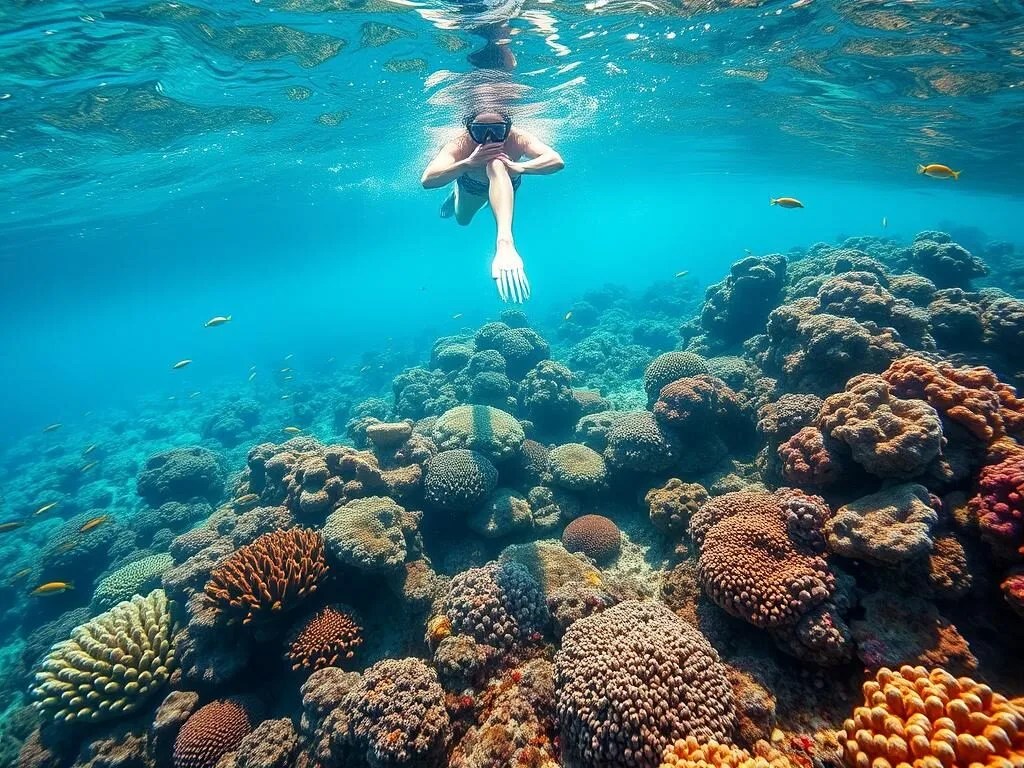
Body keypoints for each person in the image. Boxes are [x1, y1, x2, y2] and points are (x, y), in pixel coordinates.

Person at [421, 110, 564, 303]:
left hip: (508, 180)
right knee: (463, 220)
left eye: (497, 130)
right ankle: (457, 193)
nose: (489, 139)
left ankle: (504, 241)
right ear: (470, 131)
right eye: (480, 132)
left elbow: (556, 161)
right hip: (471, 187)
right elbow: (428, 180)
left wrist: (519, 167)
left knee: (496, 165)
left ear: (508, 129)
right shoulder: (460, 144)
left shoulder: (518, 138)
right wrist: (468, 163)